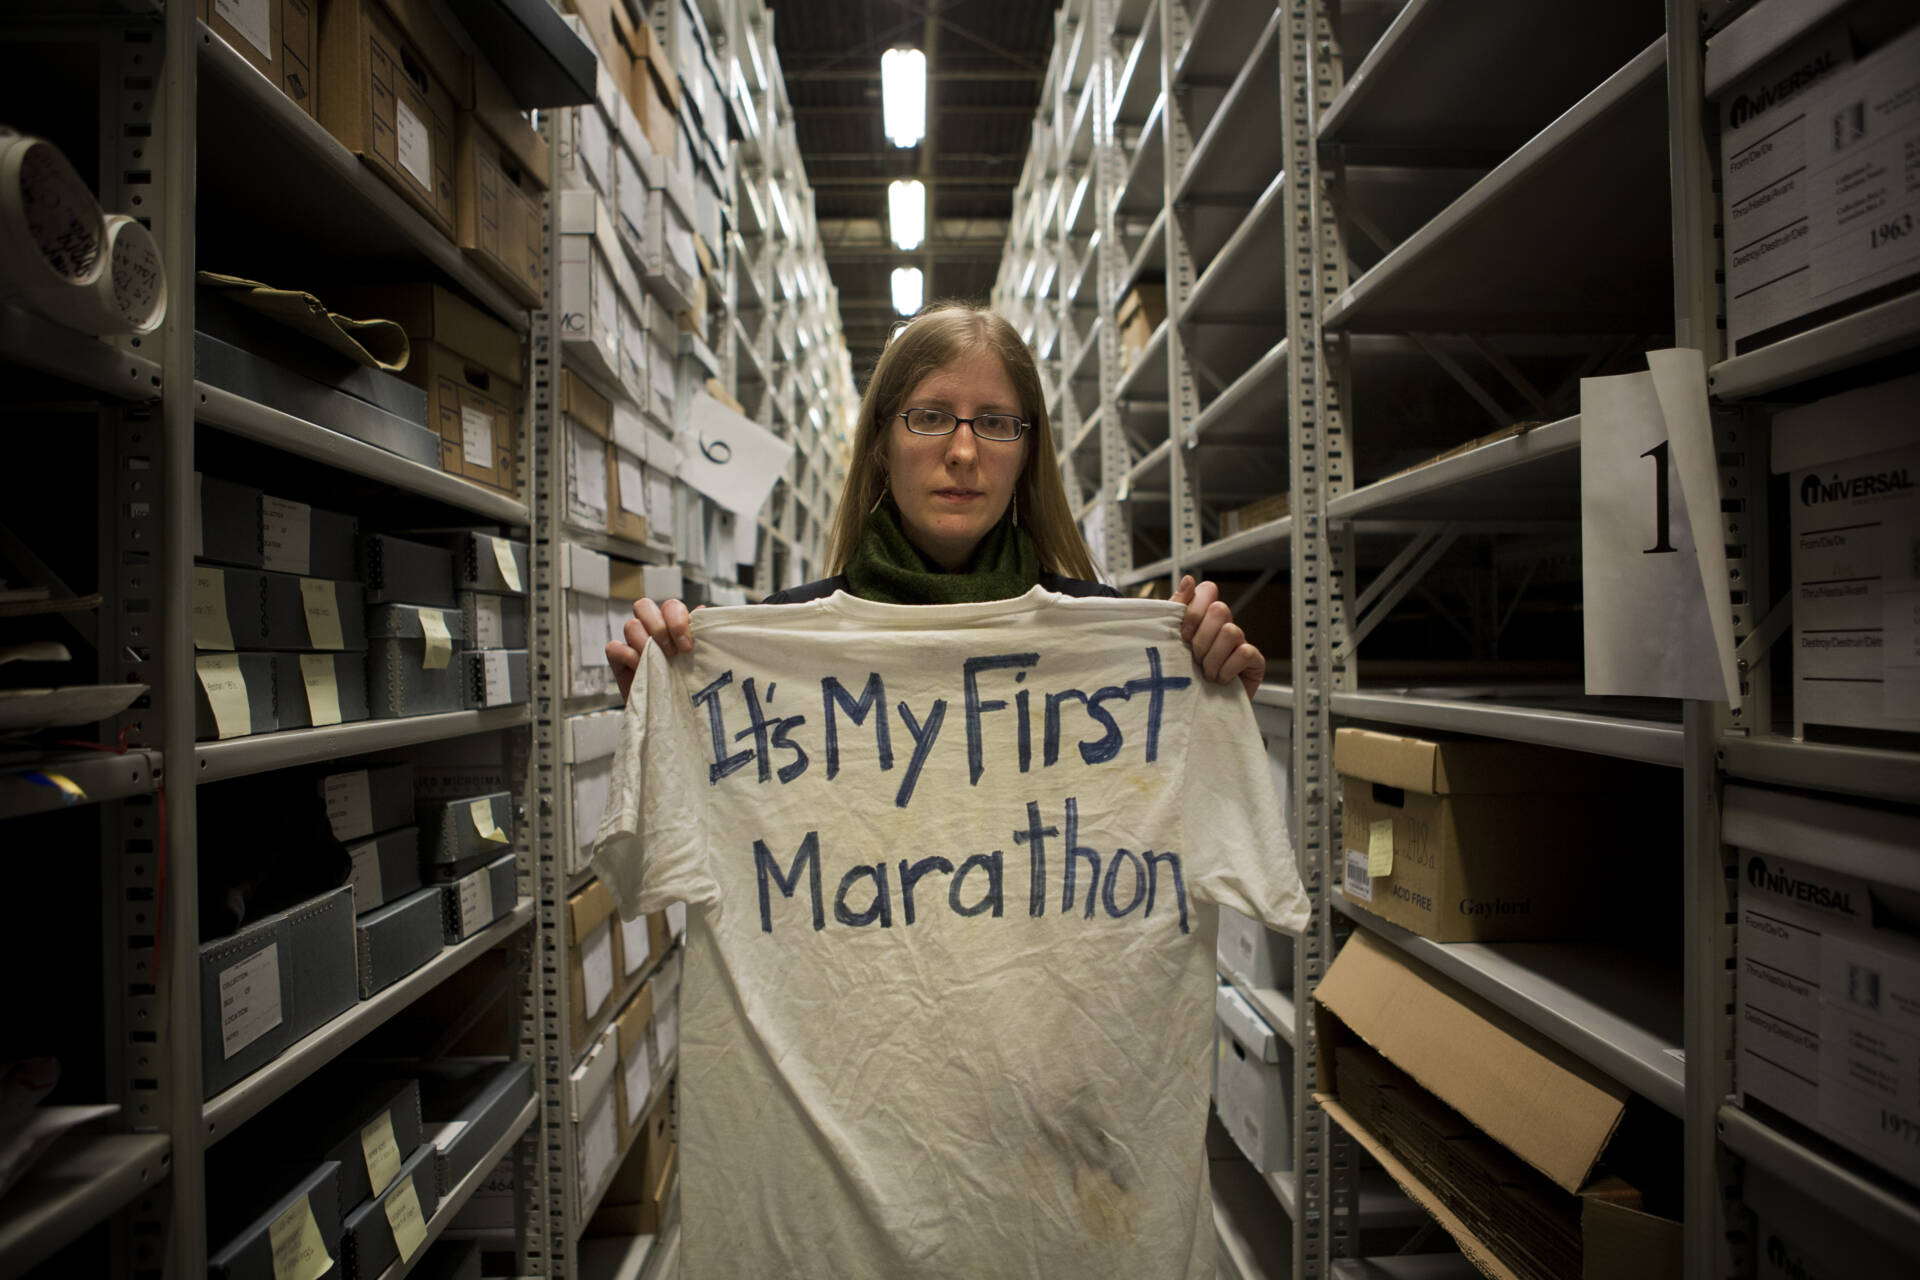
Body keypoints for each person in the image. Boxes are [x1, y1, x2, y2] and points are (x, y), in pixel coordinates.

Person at [606, 301, 1266, 694]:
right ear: (879, 446)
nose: (963, 451)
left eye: (996, 423)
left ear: (1026, 454)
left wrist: (1209, 697)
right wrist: (672, 707)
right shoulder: (786, 639)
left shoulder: (1109, 637)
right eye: (929, 417)